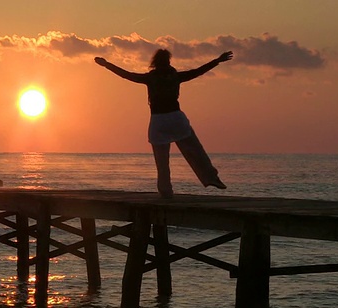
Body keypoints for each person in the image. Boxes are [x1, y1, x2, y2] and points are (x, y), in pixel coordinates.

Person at [94, 50, 233, 198]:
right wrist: (217, 60)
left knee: (161, 161)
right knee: (195, 150)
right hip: (175, 118)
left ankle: (165, 191)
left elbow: (127, 74)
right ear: (169, 61)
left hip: (158, 121)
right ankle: (211, 178)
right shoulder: (176, 76)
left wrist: (106, 64)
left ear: (155, 62)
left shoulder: (150, 78)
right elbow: (198, 71)